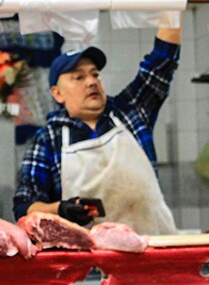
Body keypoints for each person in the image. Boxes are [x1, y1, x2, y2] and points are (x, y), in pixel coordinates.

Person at [13, 25, 181, 234]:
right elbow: (24, 207)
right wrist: (60, 209)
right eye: (79, 77)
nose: (92, 81)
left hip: (153, 249)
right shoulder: (48, 139)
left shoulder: (130, 112)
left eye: (95, 74)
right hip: (89, 259)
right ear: (57, 94)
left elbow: (162, 61)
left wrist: (173, 5)